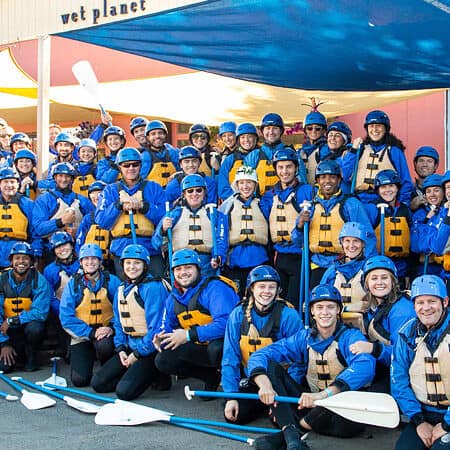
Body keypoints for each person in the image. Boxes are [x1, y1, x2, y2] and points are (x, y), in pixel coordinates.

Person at [248, 284, 376, 450]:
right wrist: (265, 386)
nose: (325, 312)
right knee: (271, 367)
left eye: (331, 307)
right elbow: (260, 355)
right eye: (319, 307)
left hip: (342, 415)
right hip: (311, 406)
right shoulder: (304, 338)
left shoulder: (350, 336)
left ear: (338, 310)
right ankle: (293, 433)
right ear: (312, 312)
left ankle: (291, 433)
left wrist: (324, 395)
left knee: (338, 403)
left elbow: (365, 367)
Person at [222, 265, 303, 424]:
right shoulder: (238, 314)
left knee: (279, 422)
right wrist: (231, 396)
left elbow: (299, 361)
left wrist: (285, 396)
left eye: (272, 287)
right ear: (251, 288)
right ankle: (263, 406)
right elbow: (229, 357)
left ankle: (271, 406)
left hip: (280, 383)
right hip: (252, 380)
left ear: (278, 290)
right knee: (235, 417)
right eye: (261, 286)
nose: (267, 291)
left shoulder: (288, 315)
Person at [91, 244, 171, 400]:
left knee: (124, 393)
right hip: (129, 346)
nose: (132, 267)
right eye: (128, 263)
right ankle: (137, 375)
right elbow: (118, 323)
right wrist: (121, 348)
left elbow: (156, 328)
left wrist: (137, 354)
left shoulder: (153, 287)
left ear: (145, 265)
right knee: (98, 384)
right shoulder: (122, 289)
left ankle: (156, 373)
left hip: (150, 349)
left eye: (137, 263)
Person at [154, 248, 239, 393]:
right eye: (178, 269)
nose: (183, 272)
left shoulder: (215, 287)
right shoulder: (173, 297)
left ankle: (235, 382)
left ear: (198, 269)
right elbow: (164, 325)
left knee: (216, 350)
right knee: (163, 359)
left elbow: (227, 323)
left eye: (188, 267)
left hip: (227, 343)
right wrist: (159, 337)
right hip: (199, 343)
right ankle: (210, 376)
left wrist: (188, 335)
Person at [293, 159, 375, 288]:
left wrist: (365, 266)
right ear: (317, 181)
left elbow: (368, 236)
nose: (327, 181)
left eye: (332, 177)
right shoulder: (310, 206)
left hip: (344, 266)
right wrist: (299, 226)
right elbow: (298, 242)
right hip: (316, 265)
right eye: (323, 177)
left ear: (339, 180)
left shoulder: (350, 204)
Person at [392, 275, 450, 450]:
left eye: (432, 301)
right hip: (423, 414)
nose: (426, 308)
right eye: (420, 302)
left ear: (445, 302)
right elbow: (399, 381)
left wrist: (446, 425)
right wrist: (418, 421)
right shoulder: (407, 334)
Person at [95, 147, 165, 279]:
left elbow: (164, 216)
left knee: (157, 286)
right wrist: (118, 205)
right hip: (122, 249)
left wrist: (144, 207)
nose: (131, 168)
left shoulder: (154, 187)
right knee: (128, 293)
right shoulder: (110, 190)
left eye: (135, 164)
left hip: (150, 248)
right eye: (126, 165)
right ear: (120, 167)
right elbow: (101, 221)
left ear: (140, 165)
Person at [350, 255, 416, 393]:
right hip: (378, 366)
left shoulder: (402, 310)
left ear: (393, 281)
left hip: (401, 373)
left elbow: (403, 357)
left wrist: (373, 348)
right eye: (374, 278)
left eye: (384, 278)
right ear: (366, 284)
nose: (379, 282)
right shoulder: (370, 306)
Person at [59, 243, 121, 386]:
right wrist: (91, 332)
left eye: (94, 259)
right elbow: (66, 318)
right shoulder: (73, 284)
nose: (90, 262)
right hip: (81, 335)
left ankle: (106, 368)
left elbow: (122, 310)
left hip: (106, 333)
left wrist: (111, 327)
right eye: (86, 259)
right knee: (79, 381)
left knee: (104, 346)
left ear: (100, 262)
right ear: (81, 262)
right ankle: (88, 360)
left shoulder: (112, 281)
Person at [263, 148, 312, 307]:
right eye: (281, 167)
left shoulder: (307, 191)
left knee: (295, 303)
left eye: (289, 167)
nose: (285, 171)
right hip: (279, 256)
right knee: (279, 304)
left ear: (296, 168)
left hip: (300, 256)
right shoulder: (269, 196)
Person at [152, 174, 226, 277]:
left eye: (198, 190)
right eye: (190, 191)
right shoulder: (174, 214)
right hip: (181, 264)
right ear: (183, 194)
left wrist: (218, 257)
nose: (194, 194)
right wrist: (163, 230)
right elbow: (156, 243)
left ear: (205, 193)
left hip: (207, 265)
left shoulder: (215, 215)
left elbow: (221, 239)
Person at [342, 110, 413, 204]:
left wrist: (402, 205)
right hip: (359, 201)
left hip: (384, 201)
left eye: (379, 126)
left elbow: (406, 182)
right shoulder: (360, 149)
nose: (374, 129)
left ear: (385, 129)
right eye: (371, 126)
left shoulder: (394, 151)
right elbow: (345, 175)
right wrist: (353, 151)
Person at [219, 166, 270, 296]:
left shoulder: (263, 204)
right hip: (235, 260)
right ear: (236, 185)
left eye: (249, 182)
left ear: (255, 184)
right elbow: (222, 234)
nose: (245, 186)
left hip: (259, 259)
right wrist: (219, 256)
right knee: (236, 297)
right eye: (241, 183)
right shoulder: (227, 206)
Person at [0, 242, 51, 372]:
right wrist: (4, 343)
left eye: (25, 258)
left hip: (27, 328)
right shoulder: (2, 280)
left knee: (36, 328)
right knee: (4, 367)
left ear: (32, 262)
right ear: (11, 262)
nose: (21, 262)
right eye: (17, 258)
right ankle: (13, 352)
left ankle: (31, 357)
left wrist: (12, 320)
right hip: (6, 331)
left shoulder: (39, 280)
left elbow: (40, 312)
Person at [33, 162, 94, 256]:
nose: (64, 179)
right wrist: (60, 222)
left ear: (72, 179)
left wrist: (78, 231)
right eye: (60, 176)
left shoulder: (83, 201)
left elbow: (93, 226)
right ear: (55, 178)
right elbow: (38, 228)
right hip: (51, 250)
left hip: (77, 249)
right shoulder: (44, 199)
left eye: (67, 176)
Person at [321, 222, 370, 332]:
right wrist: (348, 308)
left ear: (363, 244)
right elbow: (320, 300)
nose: (351, 246)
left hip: (363, 329)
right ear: (342, 243)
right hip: (334, 327)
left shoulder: (369, 270)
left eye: (356, 241)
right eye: (347, 241)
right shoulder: (332, 271)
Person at [367, 169, 412, 287]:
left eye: (391, 186)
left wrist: (409, 272)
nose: (388, 190)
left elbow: (410, 242)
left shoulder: (405, 210)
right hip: (380, 267)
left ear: (397, 188)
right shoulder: (372, 209)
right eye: (383, 187)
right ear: (378, 190)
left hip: (401, 268)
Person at [246, 113, 306, 194]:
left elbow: (301, 181)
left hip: (287, 202)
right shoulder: (253, 156)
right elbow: (246, 182)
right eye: (268, 128)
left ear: (281, 131)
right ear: (262, 131)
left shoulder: (292, 154)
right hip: (260, 202)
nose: (271, 132)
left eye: (275, 128)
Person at [43, 232, 79, 358]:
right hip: (61, 310)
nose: (62, 249)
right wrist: (64, 310)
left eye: (65, 245)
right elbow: (50, 296)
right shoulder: (49, 270)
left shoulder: (84, 264)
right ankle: (63, 344)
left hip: (84, 307)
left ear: (72, 245)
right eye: (58, 247)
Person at [0, 166, 39, 269]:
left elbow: (36, 232)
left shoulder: (28, 204)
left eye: (12, 182)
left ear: (18, 184)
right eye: (5, 182)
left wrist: (35, 255)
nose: (9, 185)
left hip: (20, 254)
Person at [410, 174, 445, 277]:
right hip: (425, 268)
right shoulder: (420, 214)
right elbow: (416, 246)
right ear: (424, 195)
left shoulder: (447, 212)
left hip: (445, 267)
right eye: (428, 191)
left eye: (436, 190)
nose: (432, 194)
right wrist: (427, 220)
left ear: (444, 192)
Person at [76, 181, 112, 271]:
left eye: (99, 193)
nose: (96, 197)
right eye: (93, 194)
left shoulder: (114, 215)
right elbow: (80, 241)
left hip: (112, 262)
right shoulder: (88, 218)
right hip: (91, 263)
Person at [218, 122, 259, 201]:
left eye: (250, 137)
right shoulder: (230, 159)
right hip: (235, 202)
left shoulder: (263, 156)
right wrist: (238, 201)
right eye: (242, 137)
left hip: (259, 202)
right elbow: (223, 187)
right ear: (238, 140)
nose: (246, 140)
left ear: (255, 138)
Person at [141, 120, 179, 187]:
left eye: (160, 133)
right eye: (153, 134)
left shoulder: (173, 152)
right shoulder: (145, 156)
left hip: (172, 193)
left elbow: (183, 171)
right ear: (148, 137)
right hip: (154, 194)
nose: (157, 136)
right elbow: (140, 180)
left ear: (165, 135)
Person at [299, 110, 328, 185]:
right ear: (305, 130)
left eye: (318, 128)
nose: (313, 131)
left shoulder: (327, 149)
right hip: (304, 190)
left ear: (324, 130)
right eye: (309, 128)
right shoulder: (302, 150)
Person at [410, 146, 440, 212]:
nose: (425, 164)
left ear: (436, 165)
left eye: (429, 161)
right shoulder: (408, 190)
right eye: (421, 160)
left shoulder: (444, 189)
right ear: (415, 164)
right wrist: (410, 207)